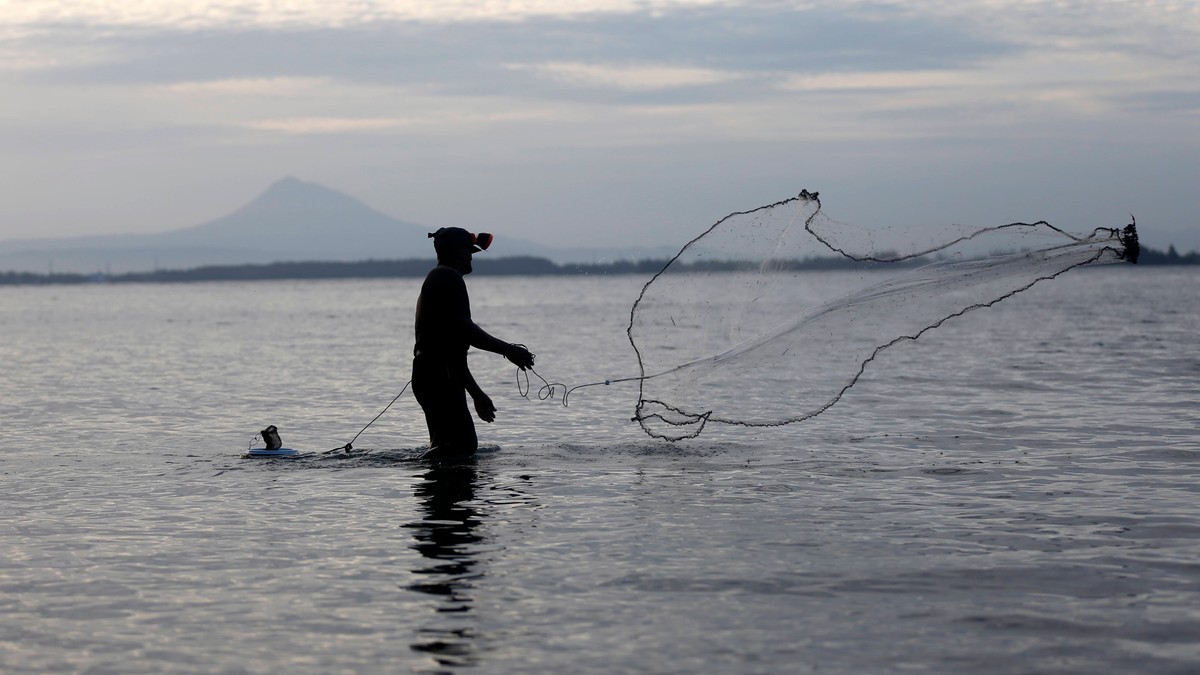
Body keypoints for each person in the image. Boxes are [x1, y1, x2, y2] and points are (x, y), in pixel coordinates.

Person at [413, 227, 534, 459]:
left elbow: (455, 354)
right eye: (468, 251)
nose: (471, 256)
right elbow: (465, 330)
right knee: (462, 445)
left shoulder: (441, 277)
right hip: (437, 374)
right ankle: (420, 472)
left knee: (450, 445)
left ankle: (437, 488)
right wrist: (509, 350)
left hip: (433, 373)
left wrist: (476, 394)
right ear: (457, 252)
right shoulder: (448, 277)